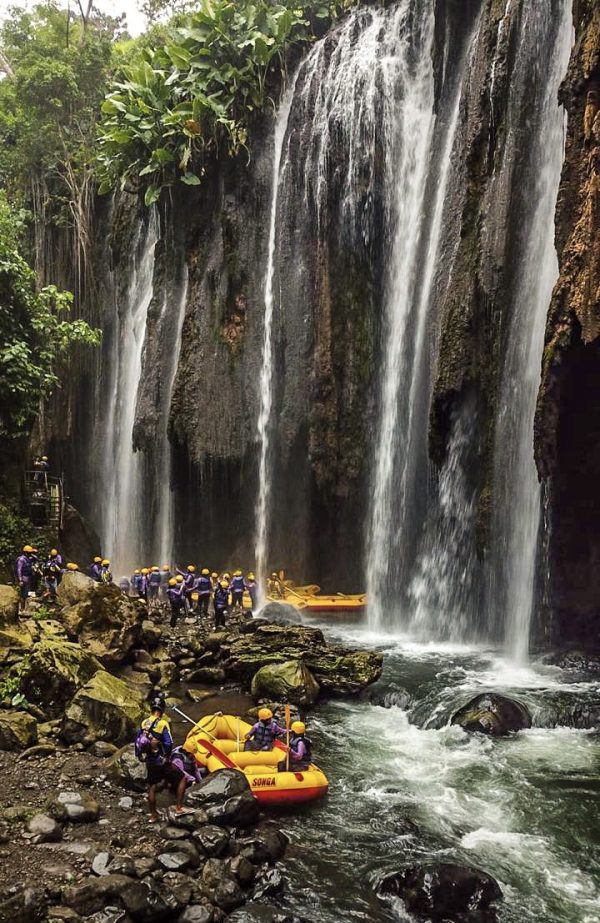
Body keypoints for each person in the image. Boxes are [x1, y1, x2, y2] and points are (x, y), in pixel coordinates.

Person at [135, 697, 191, 822]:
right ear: (162, 709)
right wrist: (167, 757)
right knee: (183, 778)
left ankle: (153, 815)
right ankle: (179, 807)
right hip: (161, 761)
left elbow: (137, 740)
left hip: (150, 761)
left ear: (151, 709)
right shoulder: (162, 723)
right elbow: (169, 743)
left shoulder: (144, 723)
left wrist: (139, 755)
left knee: (152, 787)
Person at [16, 545, 36, 611]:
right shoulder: (21, 559)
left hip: (29, 578)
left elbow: (35, 559)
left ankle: (27, 608)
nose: (31, 554)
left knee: (28, 594)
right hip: (24, 578)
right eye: (30, 552)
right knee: (23, 594)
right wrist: (20, 580)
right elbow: (19, 570)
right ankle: (22, 608)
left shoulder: (28, 559)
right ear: (26, 552)